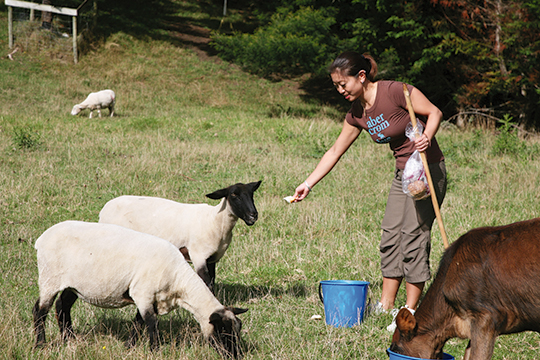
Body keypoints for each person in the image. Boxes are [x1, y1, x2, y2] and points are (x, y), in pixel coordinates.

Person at [293, 51, 447, 331]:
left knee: (413, 235)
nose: (341, 90)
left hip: (427, 169)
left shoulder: (395, 91)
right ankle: (386, 305)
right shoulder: (357, 114)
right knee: (391, 233)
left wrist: (427, 136)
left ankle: (410, 310)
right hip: (403, 173)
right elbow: (335, 150)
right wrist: (308, 183)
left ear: (361, 77)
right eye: (336, 86)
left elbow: (434, 112)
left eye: (344, 84)